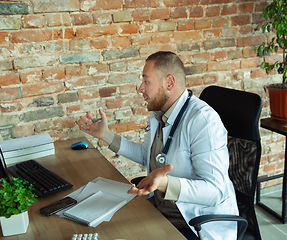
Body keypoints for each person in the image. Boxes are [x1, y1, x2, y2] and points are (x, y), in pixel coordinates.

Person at [77, 51, 239, 240]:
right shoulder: (158, 115)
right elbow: (147, 156)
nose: (140, 88)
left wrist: (165, 183)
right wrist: (105, 135)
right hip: (161, 209)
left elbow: (215, 191)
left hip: (194, 224)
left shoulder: (203, 120)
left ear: (169, 83)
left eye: (146, 81)